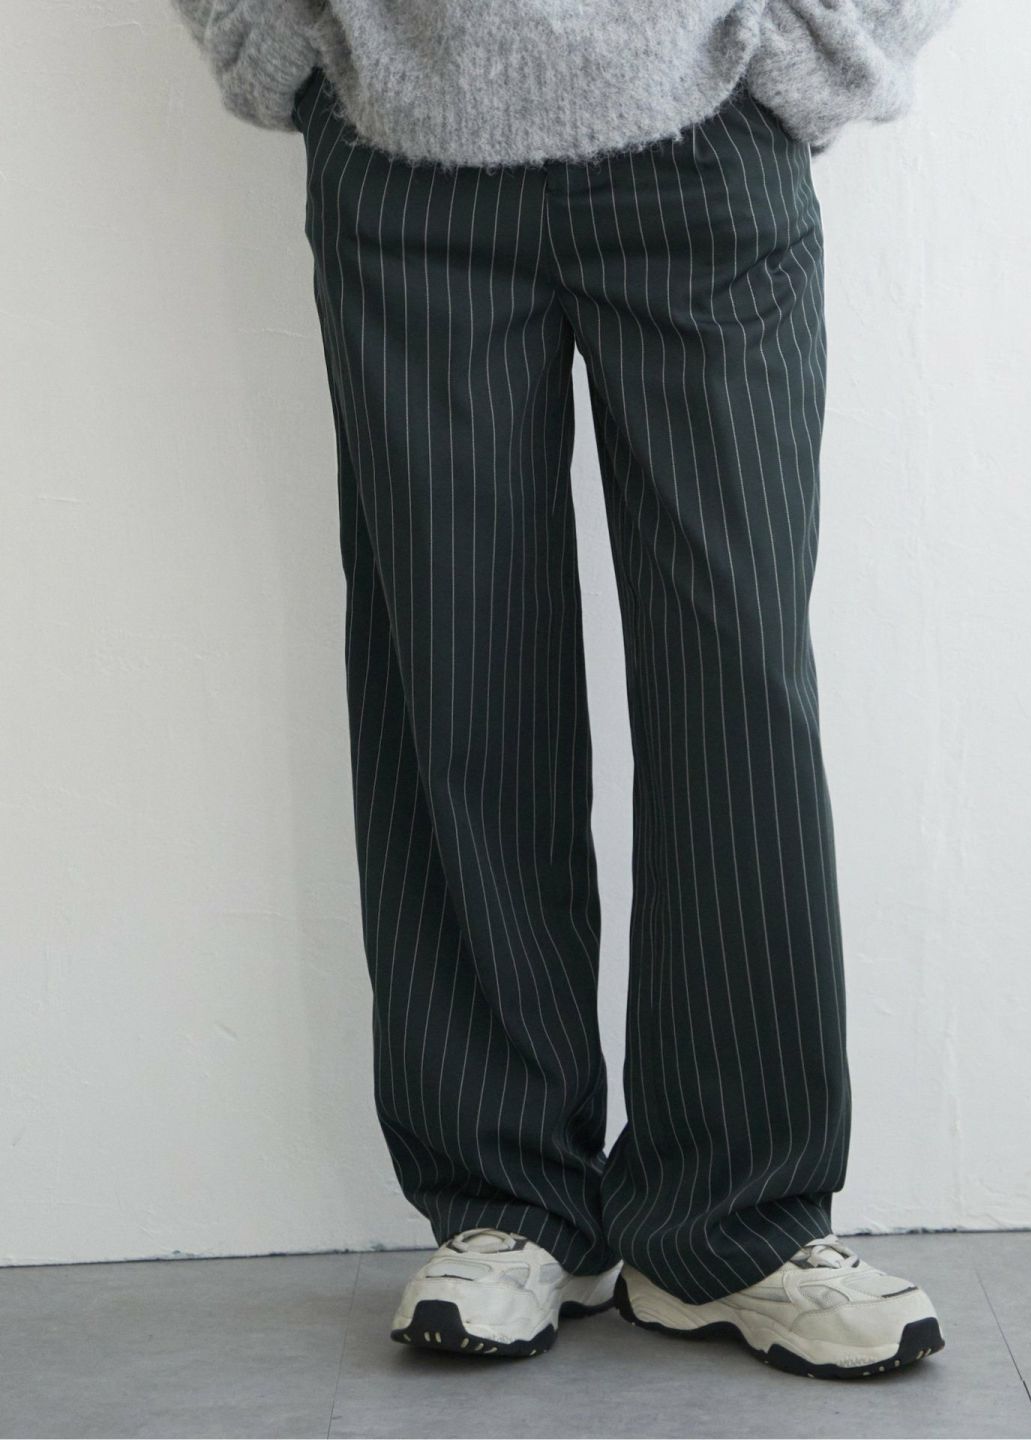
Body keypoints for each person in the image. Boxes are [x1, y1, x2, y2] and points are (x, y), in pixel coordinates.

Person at [174, 0, 959, 1379]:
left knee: (738, 687)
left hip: (710, 139)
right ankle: (508, 1202)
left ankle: (736, 1225)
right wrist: (278, 37)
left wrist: (825, 41)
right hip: (404, 144)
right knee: (453, 675)